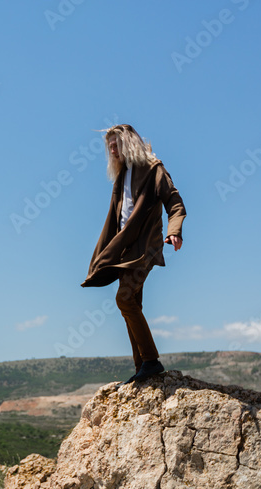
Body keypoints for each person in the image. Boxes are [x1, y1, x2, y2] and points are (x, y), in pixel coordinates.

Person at [81, 124, 186, 384]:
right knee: (132, 304)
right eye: (110, 147)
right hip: (126, 249)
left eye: (116, 145)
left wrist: (175, 231)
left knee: (124, 299)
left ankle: (151, 361)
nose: (113, 150)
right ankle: (142, 367)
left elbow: (174, 202)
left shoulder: (153, 168)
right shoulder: (122, 175)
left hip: (146, 247)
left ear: (129, 143)